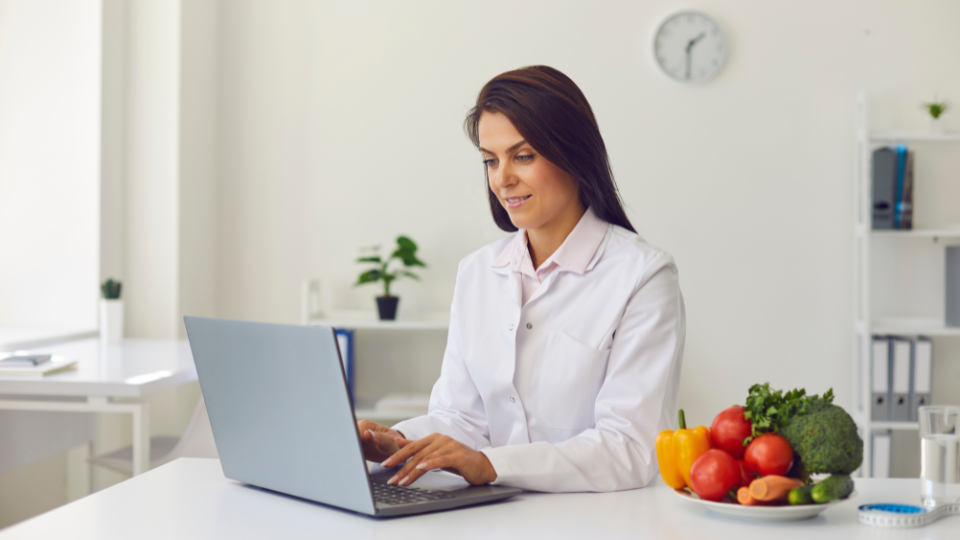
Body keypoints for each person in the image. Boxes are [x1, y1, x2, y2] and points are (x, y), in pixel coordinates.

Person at [356, 65, 685, 493]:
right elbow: (462, 418)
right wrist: (398, 444)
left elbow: (630, 449)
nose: (502, 178)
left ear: (573, 153)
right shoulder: (477, 272)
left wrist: (490, 465)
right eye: (491, 161)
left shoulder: (642, 275)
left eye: (523, 156)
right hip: (488, 517)